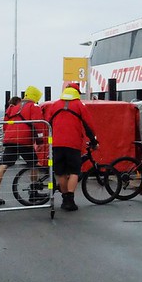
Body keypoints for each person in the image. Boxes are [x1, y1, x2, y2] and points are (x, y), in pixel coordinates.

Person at [45, 83, 99, 211]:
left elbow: (48, 123)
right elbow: (88, 125)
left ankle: (64, 199)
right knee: (74, 171)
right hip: (73, 144)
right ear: (76, 93)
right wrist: (94, 141)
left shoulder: (55, 105)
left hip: (57, 143)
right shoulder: (79, 105)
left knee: (60, 172)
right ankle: (70, 200)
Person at [0, 87, 43, 206]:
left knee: (3, 166)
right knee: (33, 164)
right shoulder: (33, 107)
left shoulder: (12, 107)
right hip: (24, 140)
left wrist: (9, 136)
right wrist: (40, 142)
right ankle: (34, 192)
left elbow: (5, 124)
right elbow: (38, 124)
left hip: (10, 139)